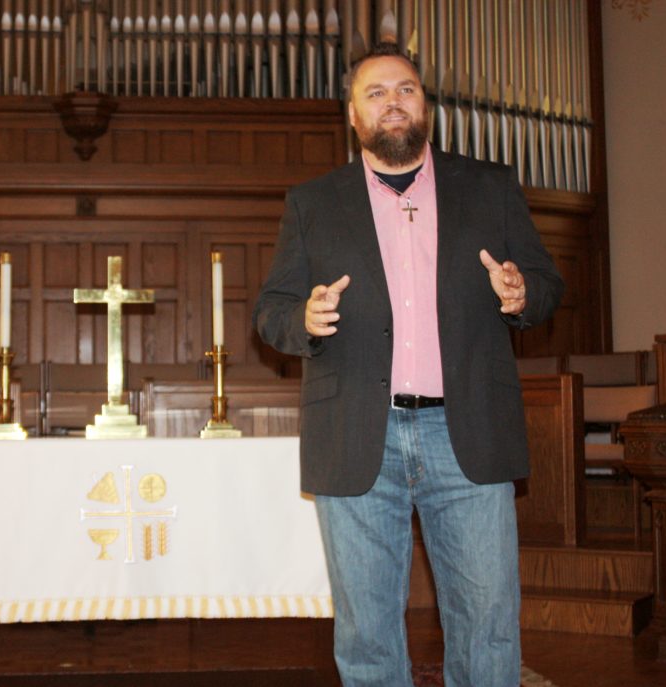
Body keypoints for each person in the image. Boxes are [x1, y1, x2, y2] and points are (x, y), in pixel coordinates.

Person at [252, 42, 564, 687]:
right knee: (366, 632)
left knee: (488, 622)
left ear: (425, 104)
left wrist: (522, 293)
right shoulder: (313, 202)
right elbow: (271, 310)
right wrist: (303, 320)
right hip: (357, 432)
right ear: (353, 116)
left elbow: (545, 281)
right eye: (376, 92)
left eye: (406, 89)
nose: (392, 101)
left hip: (467, 429)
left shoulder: (490, 185)